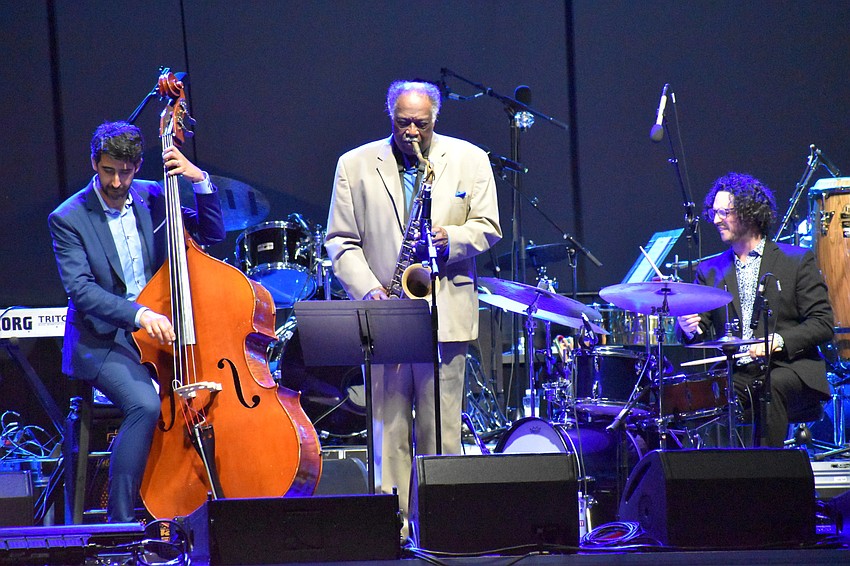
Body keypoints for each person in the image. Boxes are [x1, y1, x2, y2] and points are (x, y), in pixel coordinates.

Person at [325, 80, 501, 535]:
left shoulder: (470, 159)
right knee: (389, 434)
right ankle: (394, 528)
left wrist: (451, 239)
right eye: (403, 123)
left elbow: (489, 226)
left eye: (421, 124)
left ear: (435, 119)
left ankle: (442, 526)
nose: (411, 133)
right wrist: (370, 291)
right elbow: (340, 242)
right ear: (390, 116)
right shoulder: (353, 164)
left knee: (441, 434)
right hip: (385, 314)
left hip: (446, 314)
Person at [49, 121, 225, 522]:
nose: (116, 182)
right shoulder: (68, 217)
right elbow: (81, 291)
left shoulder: (155, 196)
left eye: (125, 172)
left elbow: (212, 234)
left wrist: (199, 180)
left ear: (138, 166)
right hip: (104, 339)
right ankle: (121, 522)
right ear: (94, 163)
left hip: (162, 333)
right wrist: (140, 314)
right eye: (108, 170)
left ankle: (206, 508)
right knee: (145, 405)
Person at [676, 172, 833, 446]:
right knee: (699, 394)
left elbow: (822, 323)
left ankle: (767, 468)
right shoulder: (709, 270)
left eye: (724, 212)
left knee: (770, 386)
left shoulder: (796, 261)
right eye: (714, 212)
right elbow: (700, 332)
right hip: (738, 372)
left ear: (749, 213)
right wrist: (688, 327)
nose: (716, 220)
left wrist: (776, 341)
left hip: (789, 368)